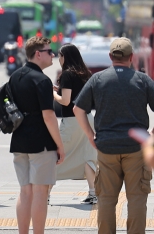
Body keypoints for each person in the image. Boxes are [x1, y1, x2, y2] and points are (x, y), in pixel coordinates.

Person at [73, 38, 154, 234]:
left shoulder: (98, 79)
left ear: (110, 57)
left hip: (106, 148)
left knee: (106, 199)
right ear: (131, 57)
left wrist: (91, 136)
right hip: (136, 149)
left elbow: (78, 109)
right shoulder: (142, 80)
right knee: (136, 198)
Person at [9, 36, 65, 234]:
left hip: (18, 140)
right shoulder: (42, 80)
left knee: (25, 191)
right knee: (41, 192)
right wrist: (60, 144)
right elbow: (49, 116)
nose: (53, 55)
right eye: (50, 51)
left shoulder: (15, 76)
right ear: (38, 54)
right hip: (41, 143)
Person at [51, 44, 96, 204]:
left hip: (72, 120)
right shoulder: (86, 74)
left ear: (65, 57)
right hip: (88, 118)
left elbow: (65, 100)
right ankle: (93, 193)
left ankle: (45, 194)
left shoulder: (67, 75)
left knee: (57, 155)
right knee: (88, 156)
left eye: (59, 55)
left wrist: (54, 93)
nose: (58, 59)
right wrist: (60, 89)